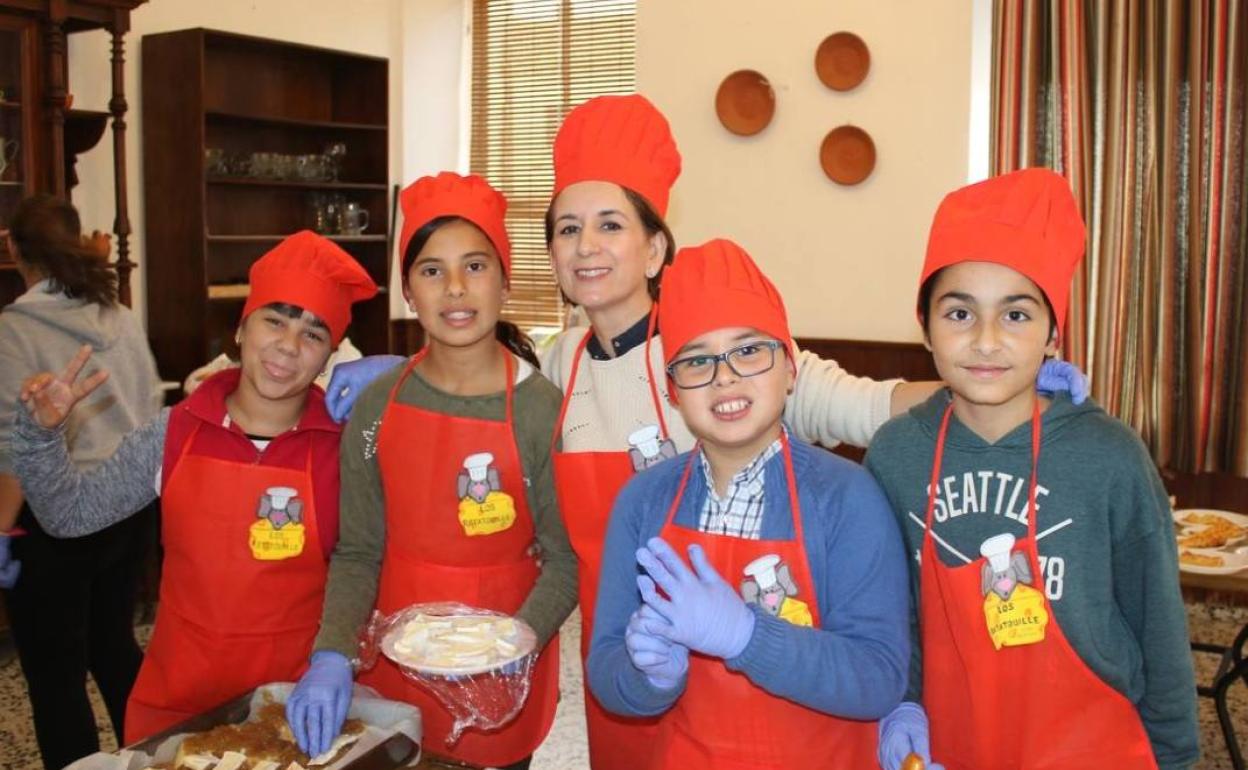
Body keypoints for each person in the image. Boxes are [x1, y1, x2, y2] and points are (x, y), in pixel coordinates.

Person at [324, 95, 1084, 768]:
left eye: (611, 225)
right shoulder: (557, 366)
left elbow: (868, 403)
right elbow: (480, 369)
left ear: (654, 248)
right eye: (567, 228)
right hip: (634, 662)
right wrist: (393, 362)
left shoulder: (724, 348)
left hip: (772, 661)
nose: (586, 245)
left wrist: (990, 385)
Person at [864, 168, 1199, 770]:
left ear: (1052, 334)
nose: (986, 341)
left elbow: (1160, 628)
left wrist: (1176, 758)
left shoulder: (1111, 457)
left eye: (1016, 315)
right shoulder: (894, 455)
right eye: (959, 314)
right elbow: (897, 618)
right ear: (925, 330)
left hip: (1092, 748)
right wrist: (899, 710)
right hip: (950, 744)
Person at [11, 231, 377, 743]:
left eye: (314, 335)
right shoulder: (174, 432)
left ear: (329, 356)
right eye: (275, 320)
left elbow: (366, 562)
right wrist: (40, 436)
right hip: (178, 709)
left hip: (294, 708)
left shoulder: (345, 448)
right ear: (241, 329)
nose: (289, 347)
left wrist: (405, 377)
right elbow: (69, 515)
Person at [287, 173, 576, 770]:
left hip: (503, 672)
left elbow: (567, 558)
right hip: (394, 673)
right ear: (408, 291)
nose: (455, 289)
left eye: (475, 266)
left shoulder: (543, 409)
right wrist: (334, 652)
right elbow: (359, 550)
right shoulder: (376, 408)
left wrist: (514, 646)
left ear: (505, 279)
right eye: (431, 270)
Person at [587, 238, 910, 768]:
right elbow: (606, 672)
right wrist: (647, 676)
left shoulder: (847, 498)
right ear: (672, 391)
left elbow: (877, 677)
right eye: (696, 360)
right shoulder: (642, 503)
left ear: (790, 369)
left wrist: (746, 635)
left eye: (749, 350)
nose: (725, 377)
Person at [0, 195, 161, 769]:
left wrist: (0, 528)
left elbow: (14, 448)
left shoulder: (14, 330)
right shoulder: (119, 316)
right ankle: (154, 758)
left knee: (54, 673)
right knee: (114, 648)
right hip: (130, 507)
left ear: (14, 250)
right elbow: (150, 407)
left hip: (55, 520)